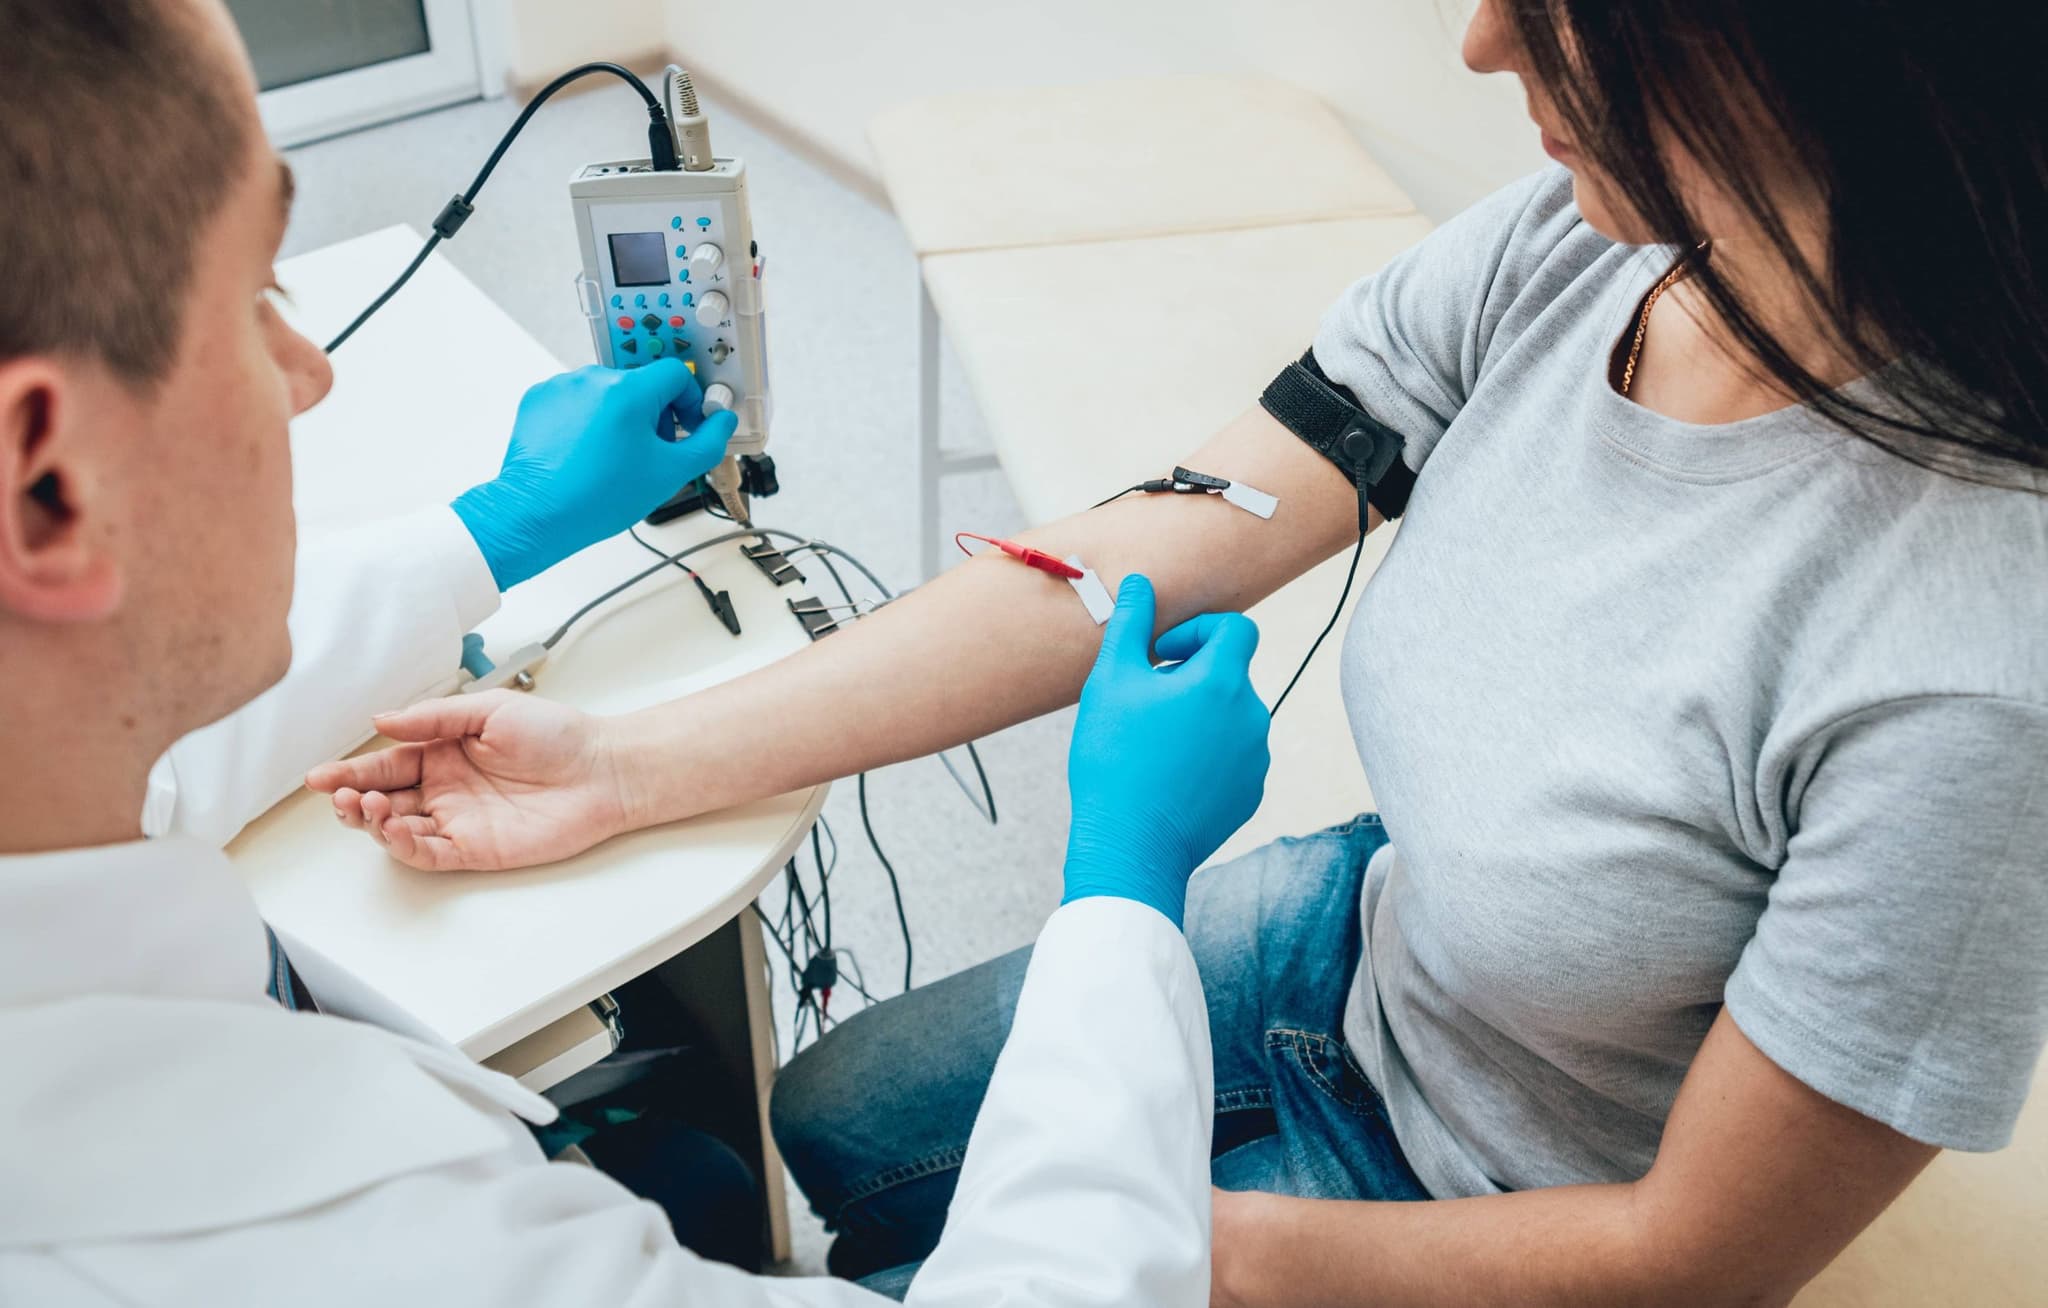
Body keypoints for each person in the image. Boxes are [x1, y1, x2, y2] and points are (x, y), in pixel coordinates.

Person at [315, 0, 2048, 1303]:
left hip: (1518, 1187)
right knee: (833, 1119)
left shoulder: (1969, 672)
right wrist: (627, 768)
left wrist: (1132, 1240)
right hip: (1374, 944)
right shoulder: (1585, 253)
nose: (1478, 40)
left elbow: (1692, 1256)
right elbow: (1160, 537)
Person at [0, 2, 1273, 1303]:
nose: (307, 375)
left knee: (719, 1174)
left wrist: (500, 527)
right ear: (47, 486)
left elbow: (129, 736)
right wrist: (1126, 886)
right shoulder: (370, 1264)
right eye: (262, 293)